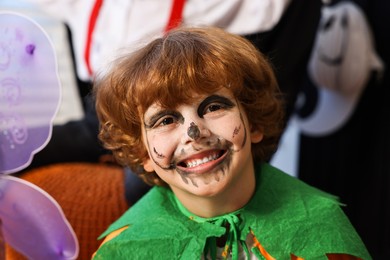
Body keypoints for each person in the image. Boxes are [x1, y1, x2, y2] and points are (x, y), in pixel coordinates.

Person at [92, 26, 370, 259]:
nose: (194, 132)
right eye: (165, 120)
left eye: (213, 107)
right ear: (144, 153)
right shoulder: (124, 249)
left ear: (254, 122)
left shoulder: (320, 227)